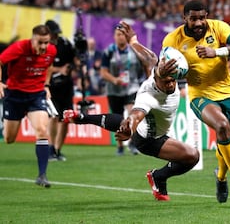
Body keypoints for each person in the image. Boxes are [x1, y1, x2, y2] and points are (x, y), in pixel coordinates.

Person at [63, 63, 199, 201]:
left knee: (123, 122)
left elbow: (149, 58)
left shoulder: (157, 72)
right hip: (150, 140)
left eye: (172, 80)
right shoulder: (149, 97)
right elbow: (135, 115)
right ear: (157, 81)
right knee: (192, 156)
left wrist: (133, 41)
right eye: (166, 82)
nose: (170, 85)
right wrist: (131, 127)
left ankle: (82, 117)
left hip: (152, 129)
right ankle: (158, 176)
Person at [161, 0, 230, 203]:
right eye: (193, 19)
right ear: (185, 18)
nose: (199, 22)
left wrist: (216, 52)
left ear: (206, 15)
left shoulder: (217, 27)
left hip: (227, 92)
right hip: (200, 95)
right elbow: (162, 67)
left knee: (227, 140)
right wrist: (169, 74)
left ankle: (221, 177)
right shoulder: (173, 40)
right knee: (222, 125)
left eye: (202, 17)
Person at [0, 24, 57, 187]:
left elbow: (50, 66)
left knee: (42, 131)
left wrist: (46, 85)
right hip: (15, 95)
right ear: (32, 39)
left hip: (36, 95)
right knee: (9, 138)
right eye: (40, 42)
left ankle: (42, 175)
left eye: (46, 42)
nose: (44, 46)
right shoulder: (19, 48)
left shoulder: (51, 51)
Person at [100, 21, 157, 155]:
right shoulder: (108, 52)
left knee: (133, 112)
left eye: (122, 34)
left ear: (126, 36)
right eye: (118, 34)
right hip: (114, 89)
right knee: (117, 117)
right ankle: (120, 146)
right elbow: (103, 72)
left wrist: (149, 81)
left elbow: (145, 65)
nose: (120, 37)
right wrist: (115, 80)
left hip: (132, 87)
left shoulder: (134, 50)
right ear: (114, 36)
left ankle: (133, 143)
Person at [45, 19, 77, 161]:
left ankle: (57, 150)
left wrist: (73, 66)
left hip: (66, 87)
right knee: (53, 117)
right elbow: (44, 67)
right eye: (53, 34)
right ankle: (50, 148)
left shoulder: (65, 44)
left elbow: (75, 60)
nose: (55, 36)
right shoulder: (43, 46)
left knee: (65, 118)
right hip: (51, 87)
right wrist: (60, 69)